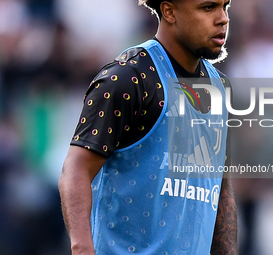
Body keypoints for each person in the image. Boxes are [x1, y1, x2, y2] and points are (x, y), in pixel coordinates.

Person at [58, 0, 238, 254]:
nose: (222, 19)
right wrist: (82, 248)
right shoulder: (128, 78)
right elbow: (76, 168)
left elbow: (220, 189)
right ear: (169, 11)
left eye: (225, 7)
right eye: (208, 8)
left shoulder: (220, 88)